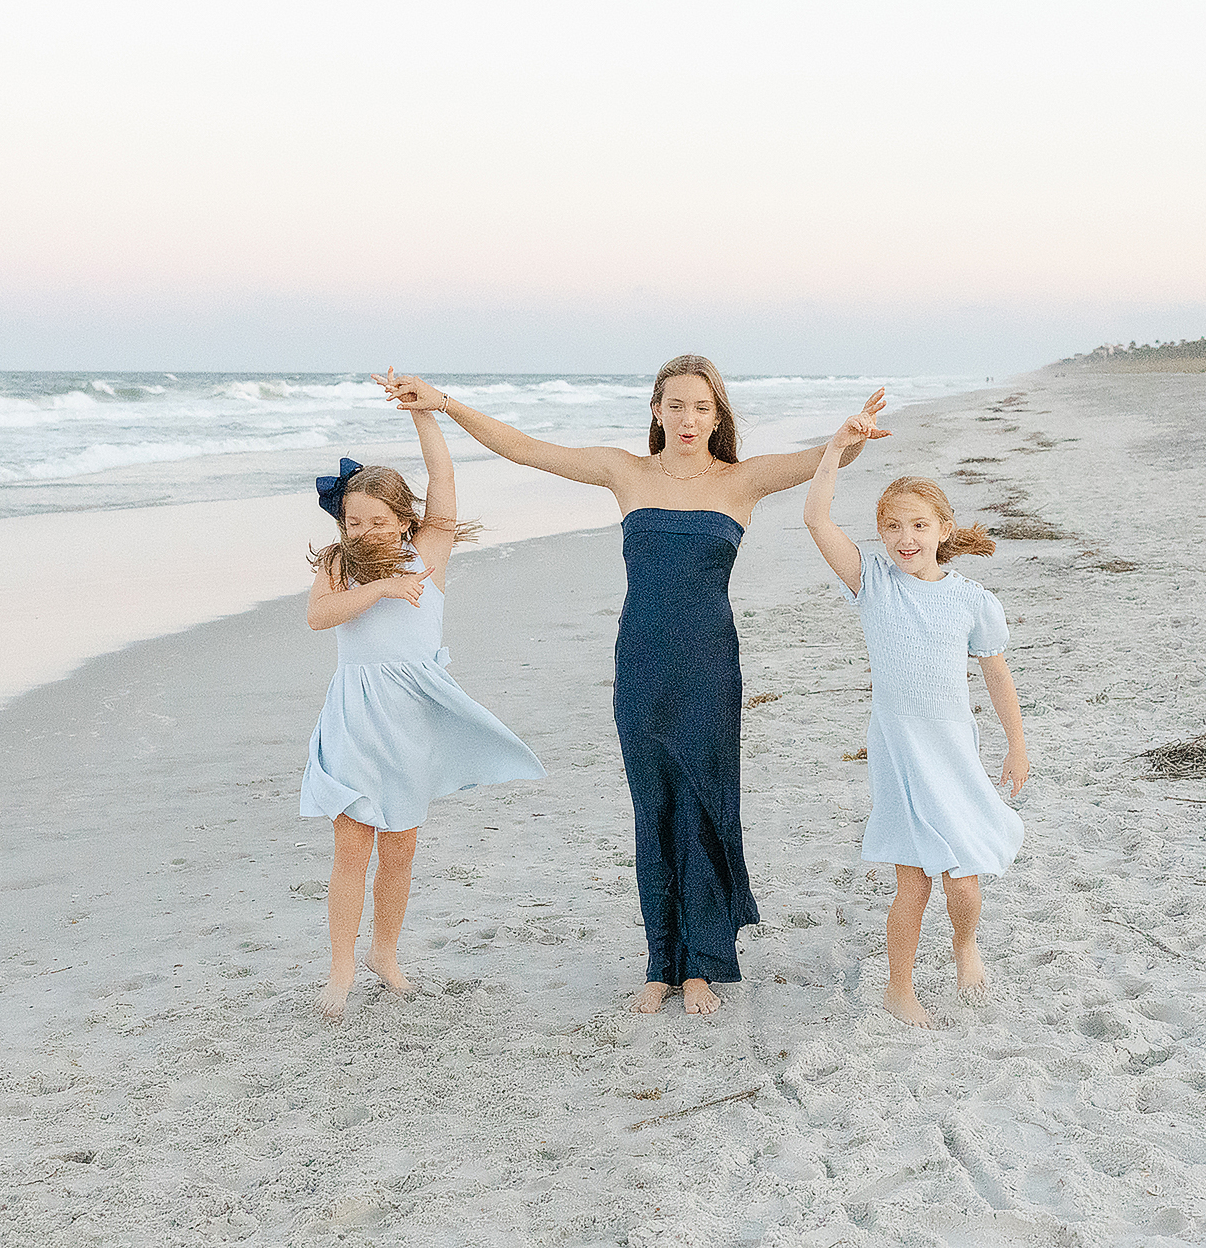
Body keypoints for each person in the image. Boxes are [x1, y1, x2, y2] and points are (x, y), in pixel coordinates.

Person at [379, 358, 884, 1016]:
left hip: (709, 665)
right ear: (656, 409)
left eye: (702, 407)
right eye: (676, 405)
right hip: (640, 664)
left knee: (703, 806)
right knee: (653, 809)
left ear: (717, 415)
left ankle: (701, 965)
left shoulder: (741, 480)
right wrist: (442, 403)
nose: (688, 419)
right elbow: (526, 449)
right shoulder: (627, 472)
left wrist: (848, 435)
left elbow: (822, 460)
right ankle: (660, 962)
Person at [300, 379, 545, 1020]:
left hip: (410, 717)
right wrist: (379, 591)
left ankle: (385, 952)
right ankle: (341, 967)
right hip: (355, 716)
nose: (362, 531)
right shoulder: (338, 563)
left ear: (403, 522)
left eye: (376, 521)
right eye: (352, 521)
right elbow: (320, 617)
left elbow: (442, 481)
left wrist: (425, 416)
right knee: (351, 843)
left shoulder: (427, 553)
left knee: (401, 846)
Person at [802, 420, 1029, 1030]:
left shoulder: (972, 600)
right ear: (880, 532)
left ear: (943, 531)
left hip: (952, 747)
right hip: (899, 749)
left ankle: (964, 946)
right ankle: (898, 989)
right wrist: (835, 449)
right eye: (894, 526)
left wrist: (1016, 745)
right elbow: (817, 520)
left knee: (963, 883)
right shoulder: (872, 582)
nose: (906, 537)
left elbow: (997, 677)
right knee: (913, 884)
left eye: (919, 525)